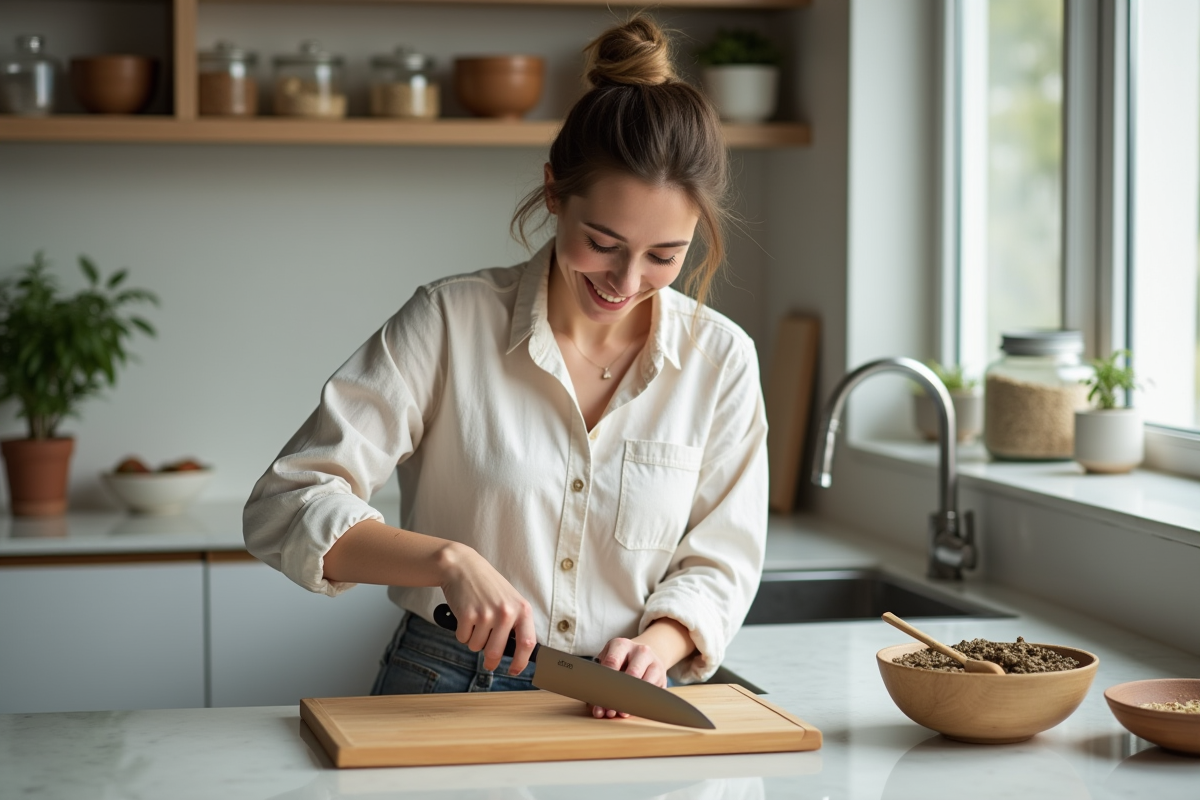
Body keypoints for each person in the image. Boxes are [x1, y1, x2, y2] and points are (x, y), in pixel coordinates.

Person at [243, 14, 768, 720]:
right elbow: (287, 503)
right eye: (602, 242)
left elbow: (722, 559)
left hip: (627, 703)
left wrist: (661, 644)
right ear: (555, 193)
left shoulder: (722, 360)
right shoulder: (449, 322)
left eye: (664, 256)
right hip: (444, 684)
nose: (625, 279)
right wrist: (445, 561)